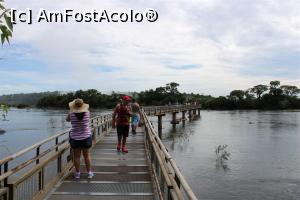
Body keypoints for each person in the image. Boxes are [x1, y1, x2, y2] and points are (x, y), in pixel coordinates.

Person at [66, 98, 93, 179]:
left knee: (77, 156)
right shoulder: (87, 113)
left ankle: (77, 173)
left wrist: (70, 111)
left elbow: (67, 120)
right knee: (87, 156)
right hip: (86, 137)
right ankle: (89, 173)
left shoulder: (71, 114)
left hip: (75, 138)